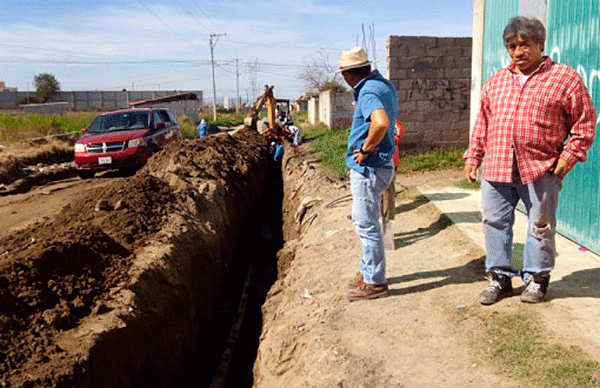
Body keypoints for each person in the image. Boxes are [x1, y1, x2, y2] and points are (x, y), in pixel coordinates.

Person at [464, 16, 596, 305]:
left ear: (540, 44)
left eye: (524, 45)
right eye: (512, 46)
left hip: (541, 167)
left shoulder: (565, 78)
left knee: (541, 225)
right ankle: (499, 278)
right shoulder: (498, 80)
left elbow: (585, 123)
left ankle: (537, 280)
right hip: (497, 166)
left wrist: (568, 158)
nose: (517, 52)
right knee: (494, 221)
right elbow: (483, 123)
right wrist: (474, 156)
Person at [340, 47, 399, 302]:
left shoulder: (368, 91)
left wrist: (365, 148)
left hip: (370, 167)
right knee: (367, 221)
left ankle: (375, 281)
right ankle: (368, 272)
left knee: (366, 224)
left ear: (350, 74)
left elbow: (381, 122)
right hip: (382, 165)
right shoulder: (383, 85)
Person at [380, 120, 404, 249]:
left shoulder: (392, 120)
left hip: (389, 163)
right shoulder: (367, 116)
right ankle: (378, 230)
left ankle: (388, 233)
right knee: (376, 198)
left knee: (388, 196)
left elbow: (397, 133)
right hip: (372, 164)